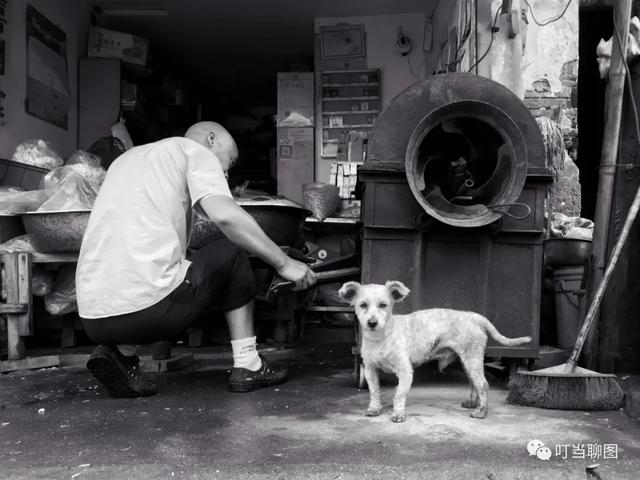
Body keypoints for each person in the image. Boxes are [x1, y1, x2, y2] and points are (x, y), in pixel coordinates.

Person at [75, 121, 316, 398]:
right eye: (230, 161)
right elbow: (226, 216)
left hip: (92, 317)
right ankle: (249, 365)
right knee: (232, 251)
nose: (226, 173)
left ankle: (120, 353)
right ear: (212, 139)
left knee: (170, 265)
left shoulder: (125, 161)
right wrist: (284, 263)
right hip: (150, 310)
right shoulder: (194, 152)